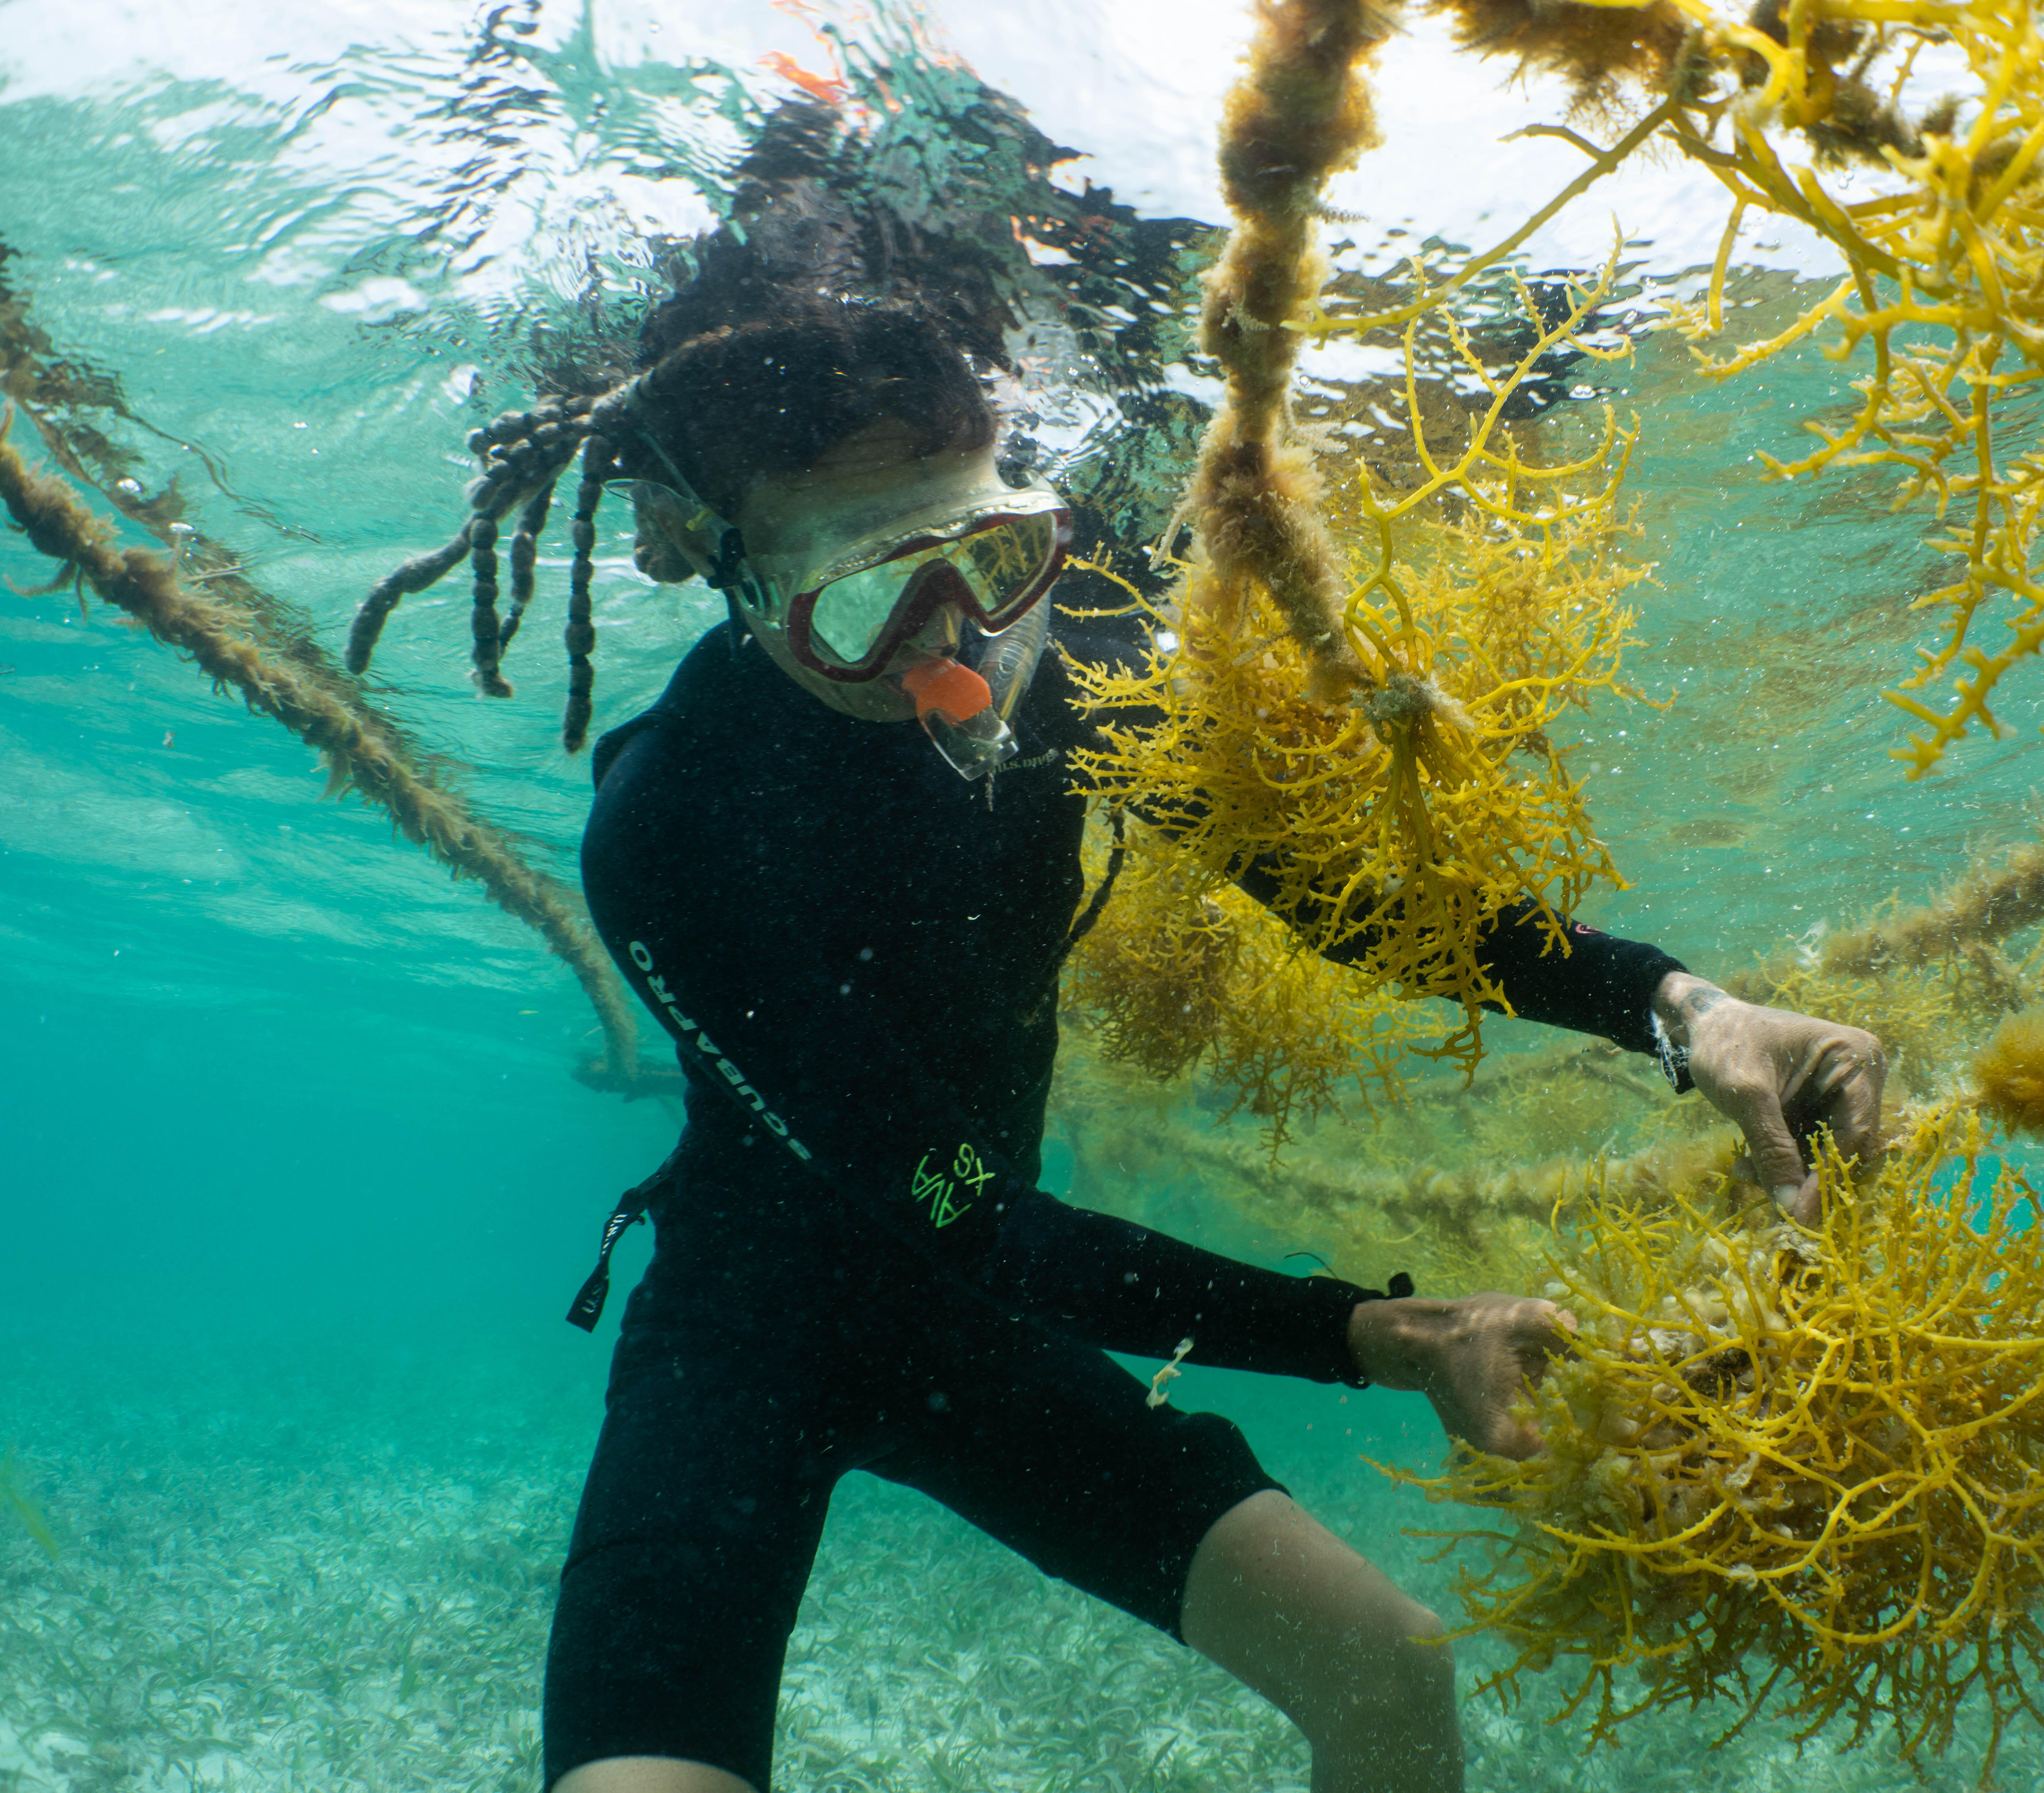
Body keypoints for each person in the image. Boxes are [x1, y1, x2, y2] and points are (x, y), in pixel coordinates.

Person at [362, 142, 1884, 1793]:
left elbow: (1337, 899)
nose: (950, 647)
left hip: (970, 1318)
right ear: (705, 555)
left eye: (991, 557)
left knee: (1391, 1672)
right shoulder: (668, 832)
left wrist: (1683, 1006)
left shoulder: (1055, 681)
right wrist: (1381, 1332)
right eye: (866, 597)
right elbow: (958, 1208)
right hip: (748, 1329)